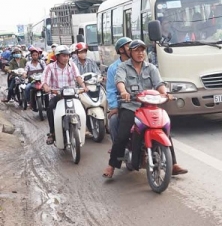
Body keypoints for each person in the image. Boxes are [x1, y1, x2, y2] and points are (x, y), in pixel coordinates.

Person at [103, 39, 187, 178]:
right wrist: (124, 92)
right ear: (130, 52)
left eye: (142, 50)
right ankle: (112, 165)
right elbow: (120, 81)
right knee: (122, 135)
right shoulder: (122, 67)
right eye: (136, 50)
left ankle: (173, 164)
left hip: (149, 106)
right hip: (130, 106)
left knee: (164, 129)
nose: (140, 53)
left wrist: (165, 93)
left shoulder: (151, 68)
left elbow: (159, 83)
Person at [42, 45, 88, 145]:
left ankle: (84, 128)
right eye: (63, 56)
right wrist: (47, 87)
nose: (66, 58)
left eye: (67, 56)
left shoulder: (72, 65)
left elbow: (78, 77)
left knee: (83, 106)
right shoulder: (50, 67)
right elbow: (45, 81)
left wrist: (83, 86)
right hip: (57, 95)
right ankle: (52, 132)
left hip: (71, 94)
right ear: (57, 56)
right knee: (50, 108)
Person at [106, 37, 132, 150]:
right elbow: (111, 90)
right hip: (122, 104)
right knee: (114, 120)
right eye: (129, 46)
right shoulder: (113, 68)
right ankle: (117, 149)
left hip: (140, 102)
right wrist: (115, 107)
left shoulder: (143, 64)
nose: (133, 49)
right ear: (121, 50)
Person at [24, 47, 46, 111]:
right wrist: (24, 74)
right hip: (32, 81)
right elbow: (25, 71)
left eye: (36, 55)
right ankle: (29, 102)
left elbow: (46, 70)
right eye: (33, 55)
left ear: (38, 55)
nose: (35, 56)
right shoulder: (28, 63)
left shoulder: (42, 62)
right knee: (27, 88)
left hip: (41, 81)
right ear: (31, 56)